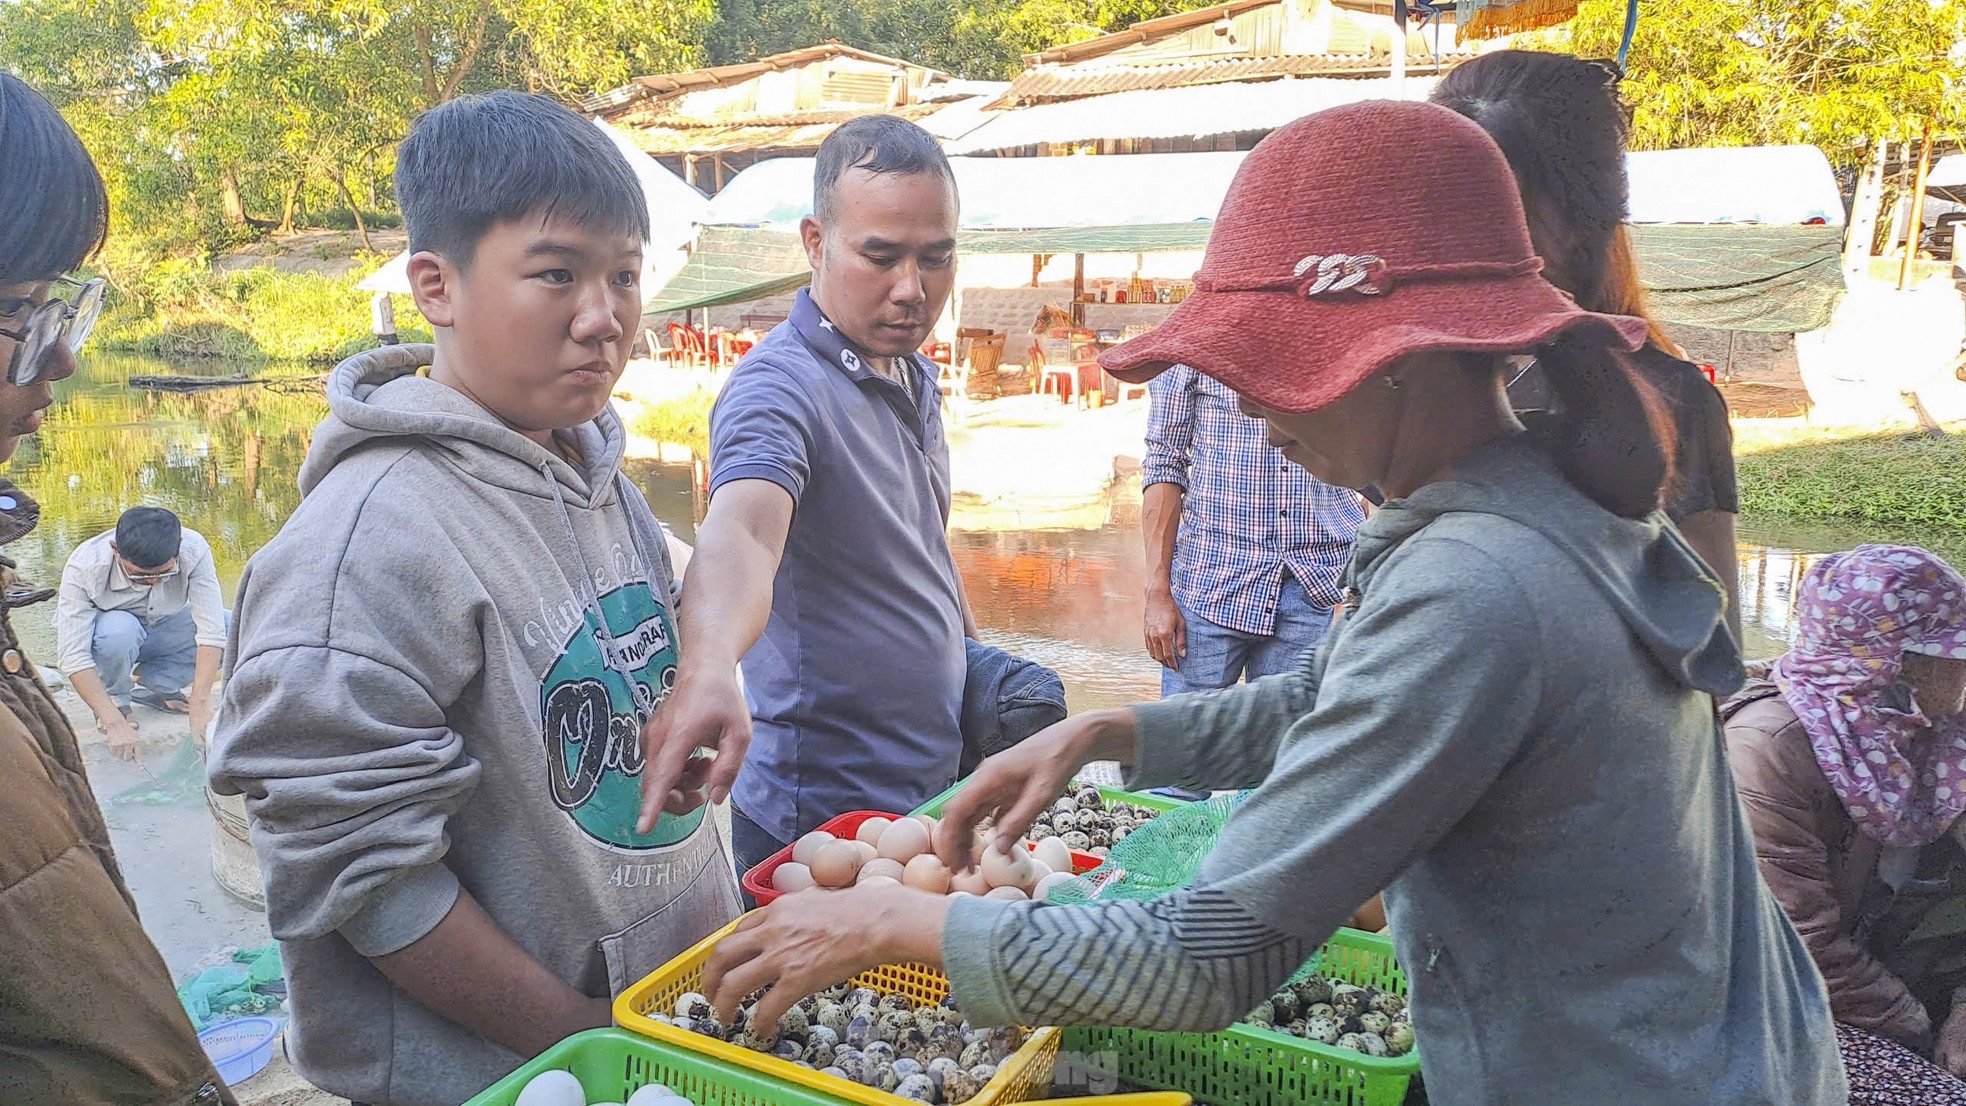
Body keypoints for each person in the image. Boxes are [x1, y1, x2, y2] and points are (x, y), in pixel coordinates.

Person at [693, 100, 1846, 1105]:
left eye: (1268, 372)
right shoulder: (1530, 490)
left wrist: (902, 922)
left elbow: (1203, 958)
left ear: (1388, 359)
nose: (1247, 415)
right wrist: (1113, 727)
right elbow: (1351, 698)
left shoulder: (1478, 587)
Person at [208, 91, 741, 1106]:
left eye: (625, 275)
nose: (606, 316)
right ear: (435, 286)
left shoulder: (598, 479)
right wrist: (585, 1039)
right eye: (556, 274)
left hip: (664, 1033)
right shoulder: (364, 548)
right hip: (524, 1073)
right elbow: (365, 876)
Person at [637, 115, 977, 877]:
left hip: (925, 789)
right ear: (816, 244)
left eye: (937, 258)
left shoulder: (911, 373)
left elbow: (921, 549)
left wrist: (973, 659)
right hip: (821, 817)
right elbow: (746, 531)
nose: (911, 290)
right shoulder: (779, 388)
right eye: (880, 256)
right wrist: (710, 663)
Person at [0, 72, 238, 1105]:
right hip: (109, 647)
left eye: (66, 309)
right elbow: (69, 649)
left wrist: (200, 716)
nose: (57, 358)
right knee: (107, 651)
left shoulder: (188, 551)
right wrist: (109, 716)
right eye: (24, 310)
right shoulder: (89, 565)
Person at [1431, 51, 1743, 641]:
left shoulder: (1676, 403)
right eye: (1446, 209)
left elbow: (1713, 641)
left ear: (1580, 224)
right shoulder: (1414, 379)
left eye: (1504, 211)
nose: (1464, 241)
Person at [1723, 545, 1966, 1105]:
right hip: (1792, 1002)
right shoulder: (1768, 751)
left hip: (1905, 977)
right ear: (1900, 662)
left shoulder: (1939, 733)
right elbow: (1799, 945)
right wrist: (1919, 1030)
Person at [1142, 362, 1364, 694]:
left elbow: (1370, 450)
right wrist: (1157, 592)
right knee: (1190, 741)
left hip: (1311, 582)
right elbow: (1164, 462)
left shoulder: (1331, 329)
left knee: (1284, 741)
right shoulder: (1196, 338)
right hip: (1211, 584)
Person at [57, 505, 229, 752]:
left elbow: (211, 631)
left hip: (163, 625)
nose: (153, 582)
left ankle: (157, 684)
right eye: (139, 576)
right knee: (119, 631)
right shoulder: (84, 567)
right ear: (115, 550)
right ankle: (117, 699)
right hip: (112, 638)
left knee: (235, 626)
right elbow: (73, 657)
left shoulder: (194, 548)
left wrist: (199, 702)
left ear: (178, 547)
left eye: (164, 574)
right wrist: (113, 722)